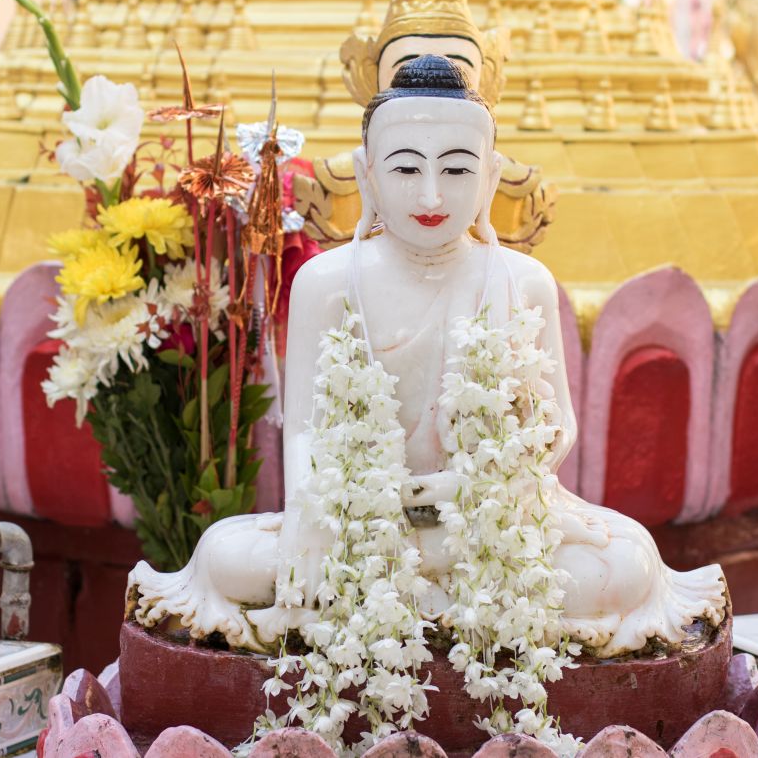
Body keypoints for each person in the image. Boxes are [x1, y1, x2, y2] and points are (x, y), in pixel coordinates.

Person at [128, 55, 727, 659]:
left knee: (630, 563)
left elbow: (559, 425)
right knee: (225, 557)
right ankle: (452, 610)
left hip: (487, 524)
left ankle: (405, 607)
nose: (432, 194)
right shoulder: (327, 282)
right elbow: (306, 429)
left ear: (491, 177)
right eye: (407, 168)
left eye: (458, 169)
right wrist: (310, 523)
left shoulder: (524, 280)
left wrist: (500, 471)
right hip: (362, 525)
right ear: (367, 176)